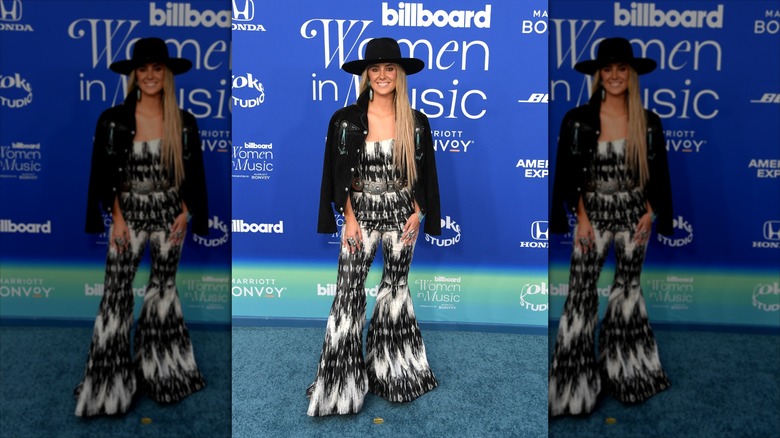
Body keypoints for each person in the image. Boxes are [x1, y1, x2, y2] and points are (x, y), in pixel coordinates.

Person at [76, 37, 208, 417]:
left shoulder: (183, 121)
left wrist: (186, 212)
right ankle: (107, 386)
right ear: (134, 75)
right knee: (116, 295)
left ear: (167, 74)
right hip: (128, 214)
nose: (150, 75)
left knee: (162, 292)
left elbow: (192, 173)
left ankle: (166, 374)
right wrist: (116, 216)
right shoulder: (113, 120)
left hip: (170, 215)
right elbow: (104, 175)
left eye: (157, 68)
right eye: (143, 69)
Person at [308, 37, 441, 417]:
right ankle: (339, 387)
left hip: (403, 215)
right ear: (366, 75)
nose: (382, 75)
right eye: (375, 69)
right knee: (348, 294)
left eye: (389, 68)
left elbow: (424, 172)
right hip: (360, 213)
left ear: (400, 75)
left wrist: (419, 212)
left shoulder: (417, 121)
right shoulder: (345, 120)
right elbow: (336, 174)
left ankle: (395, 374)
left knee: (395, 290)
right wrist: (348, 218)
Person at [548, 37, 673, 416]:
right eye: (608, 69)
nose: (615, 75)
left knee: (628, 290)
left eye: (622, 68)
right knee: (581, 293)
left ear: (631, 74)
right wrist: (581, 218)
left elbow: (657, 173)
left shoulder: (648, 121)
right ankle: (573, 387)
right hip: (594, 214)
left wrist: (651, 212)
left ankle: (630, 374)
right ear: (599, 75)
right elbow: (569, 175)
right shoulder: (578, 119)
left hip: (635, 215)